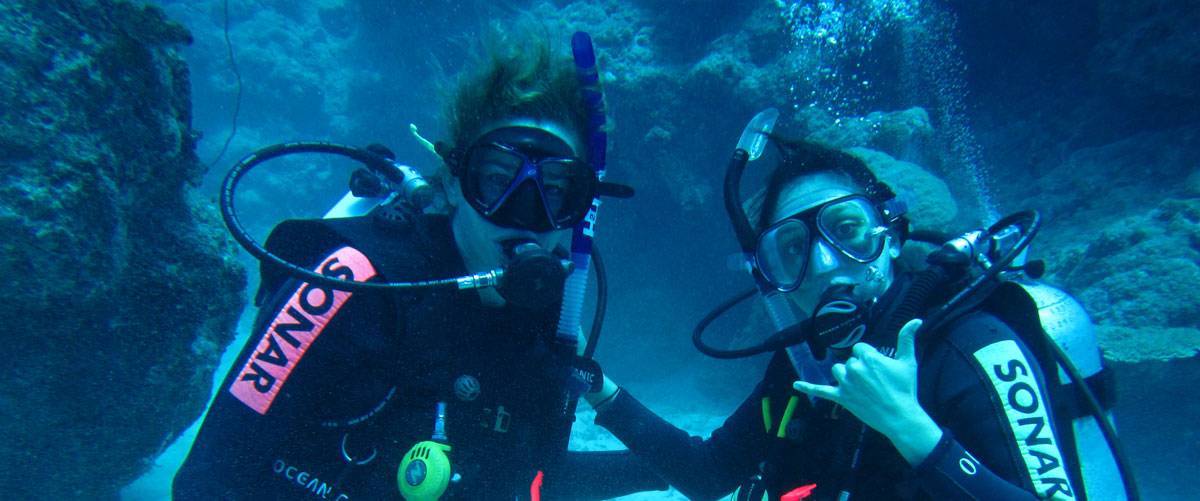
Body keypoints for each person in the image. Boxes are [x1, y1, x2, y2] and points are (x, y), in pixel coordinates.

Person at [173, 26, 664, 500]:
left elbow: (528, 471)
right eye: (497, 180)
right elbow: (209, 479)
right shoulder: (348, 282)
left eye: (556, 190)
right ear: (452, 182)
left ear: (581, 206)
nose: (528, 216)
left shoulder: (550, 314)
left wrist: (658, 470)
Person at [584, 137, 1085, 500]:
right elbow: (709, 473)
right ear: (771, 275)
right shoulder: (806, 364)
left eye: (846, 230)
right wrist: (600, 388)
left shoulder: (973, 346)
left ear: (889, 235)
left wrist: (914, 432)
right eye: (793, 249)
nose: (823, 265)